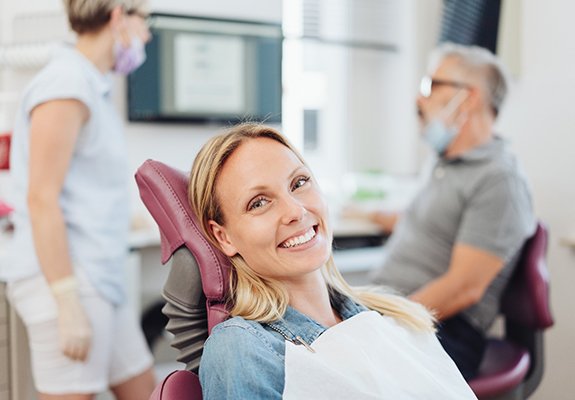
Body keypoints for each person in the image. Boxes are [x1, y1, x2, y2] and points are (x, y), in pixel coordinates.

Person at [186, 123, 477, 399]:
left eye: (299, 183)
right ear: (224, 237)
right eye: (259, 203)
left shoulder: (394, 317)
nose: (296, 211)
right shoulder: (242, 349)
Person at [350, 43, 536, 380]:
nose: (419, 100)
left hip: (444, 329)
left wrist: (382, 323)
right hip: (399, 310)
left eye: (431, 86)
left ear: (469, 98)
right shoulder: (444, 162)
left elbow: (463, 287)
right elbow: (424, 224)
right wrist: (365, 212)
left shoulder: (499, 180)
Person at [1, 1, 156, 398]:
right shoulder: (65, 85)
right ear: (118, 16)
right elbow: (41, 198)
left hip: (99, 273)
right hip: (66, 277)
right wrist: (66, 302)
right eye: (145, 21)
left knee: (144, 388)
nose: (147, 35)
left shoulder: (90, 84)